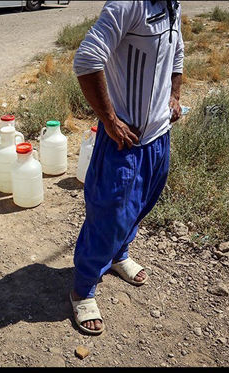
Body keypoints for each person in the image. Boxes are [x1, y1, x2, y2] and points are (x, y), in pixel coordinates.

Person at [71, 0, 184, 335]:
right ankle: (83, 287)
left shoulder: (173, 4)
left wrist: (175, 95)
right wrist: (110, 121)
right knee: (108, 215)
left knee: (140, 206)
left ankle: (119, 254)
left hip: (158, 138)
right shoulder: (128, 4)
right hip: (125, 141)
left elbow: (176, 52)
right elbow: (87, 59)